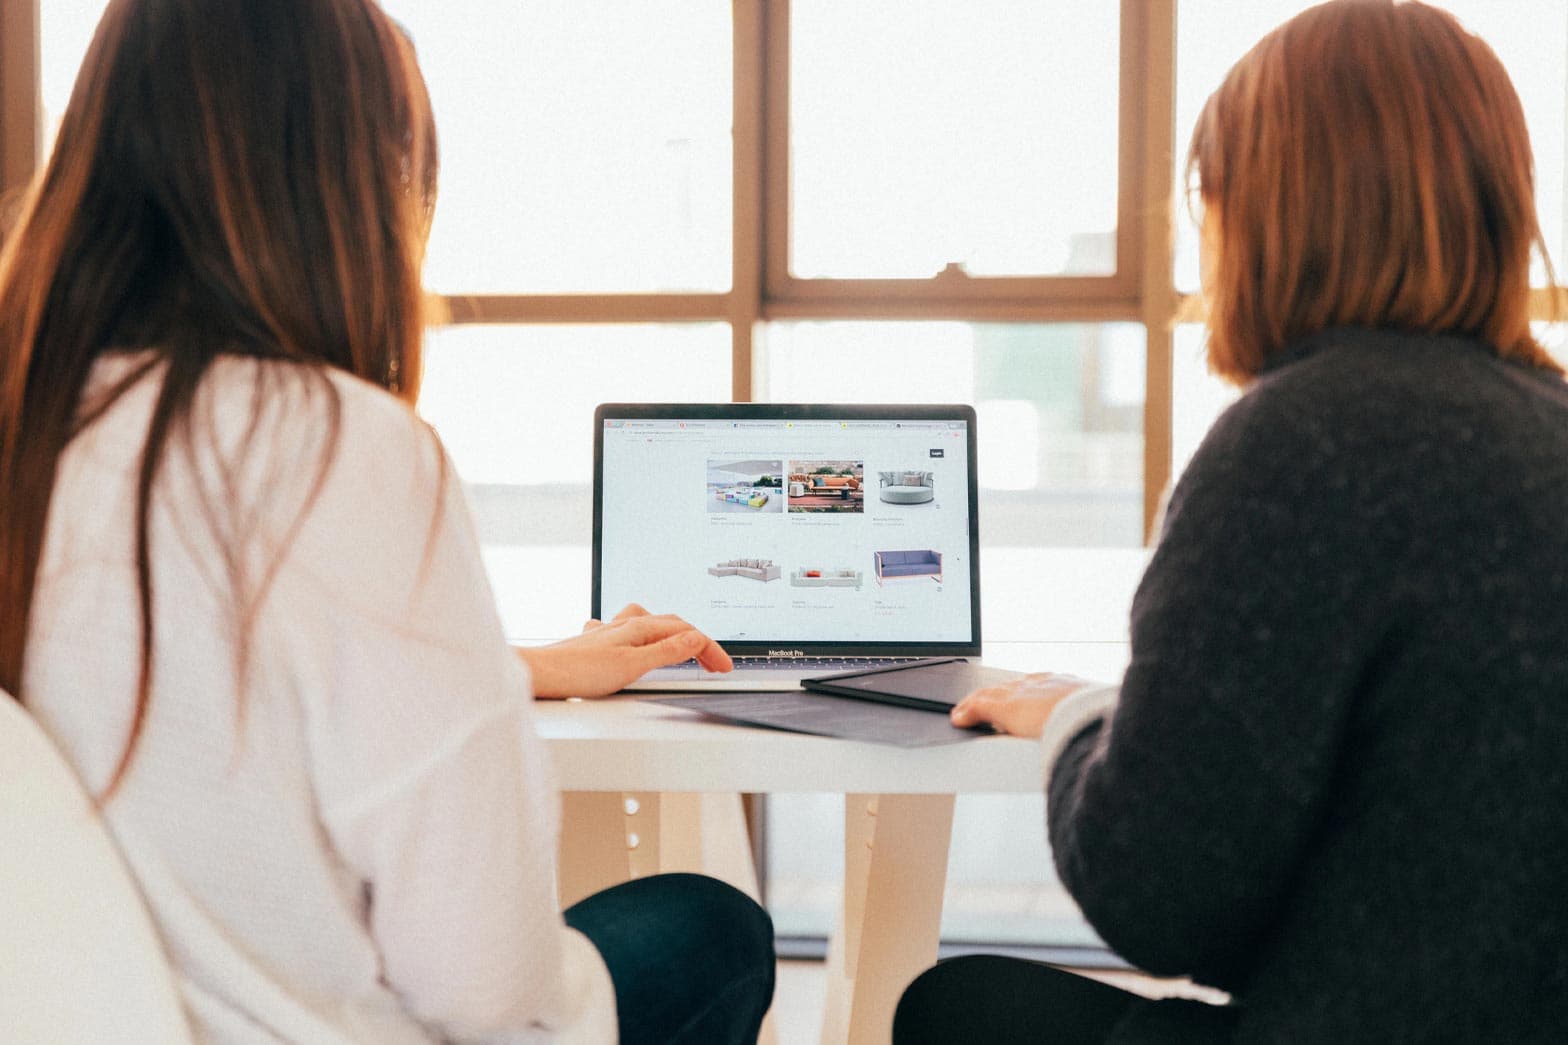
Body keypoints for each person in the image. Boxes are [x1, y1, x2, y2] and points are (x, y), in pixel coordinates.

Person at [0, 1, 773, 1042]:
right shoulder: (334, 448)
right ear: (352, 186)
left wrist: (516, 665)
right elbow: (485, 989)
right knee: (710, 926)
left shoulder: (29, 418)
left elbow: (172, 665)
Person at [894, 1, 1568, 1041]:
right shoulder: (1546, 417)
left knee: (956, 1009)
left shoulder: (1301, 439)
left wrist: (1080, 719)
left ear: (1260, 210)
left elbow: (1158, 898)